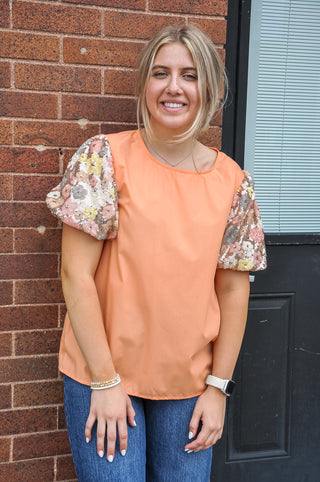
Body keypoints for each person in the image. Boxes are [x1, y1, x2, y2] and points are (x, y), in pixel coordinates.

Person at [46, 24, 266, 482]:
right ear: (145, 84)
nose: (173, 87)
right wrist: (104, 383)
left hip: (189, 385)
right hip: (103, 375)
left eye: (189, 75)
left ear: (211, 87)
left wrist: (218, 388)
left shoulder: (232, 183)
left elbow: (232, 291)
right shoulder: (105, 158)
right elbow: (75, 274)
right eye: (161, 73)